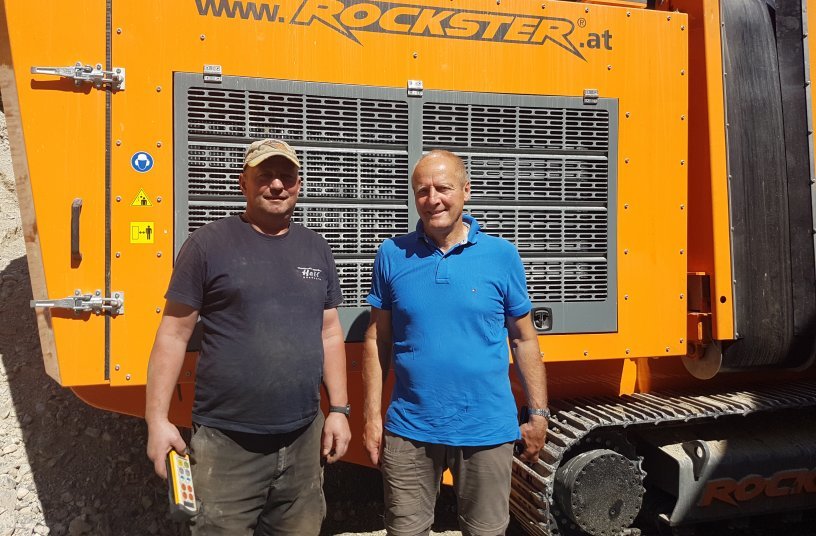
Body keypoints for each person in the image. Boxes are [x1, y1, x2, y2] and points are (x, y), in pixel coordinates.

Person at [145, 139, 352, 535]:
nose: (277, 185)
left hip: (303, 440)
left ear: (299, 184)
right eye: (265, 176)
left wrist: (339, 411)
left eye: (286, 176)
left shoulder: (316, 247)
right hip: (226, 445)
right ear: (243, 183)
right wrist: (157, 420)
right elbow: (172, 335)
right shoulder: (207, 245)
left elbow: (329, 333)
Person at [362, 150, 549, 536]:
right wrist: (371, 417)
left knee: (485, 531)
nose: (433, 199)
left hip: (487, 429)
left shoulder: (502, 255)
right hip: (410, 428)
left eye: (443, 188)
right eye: (422, 191)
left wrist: (538, 413)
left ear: (465, 191)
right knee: (405, 530)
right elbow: (376, 340)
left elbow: (525, 339)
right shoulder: (391, 254)